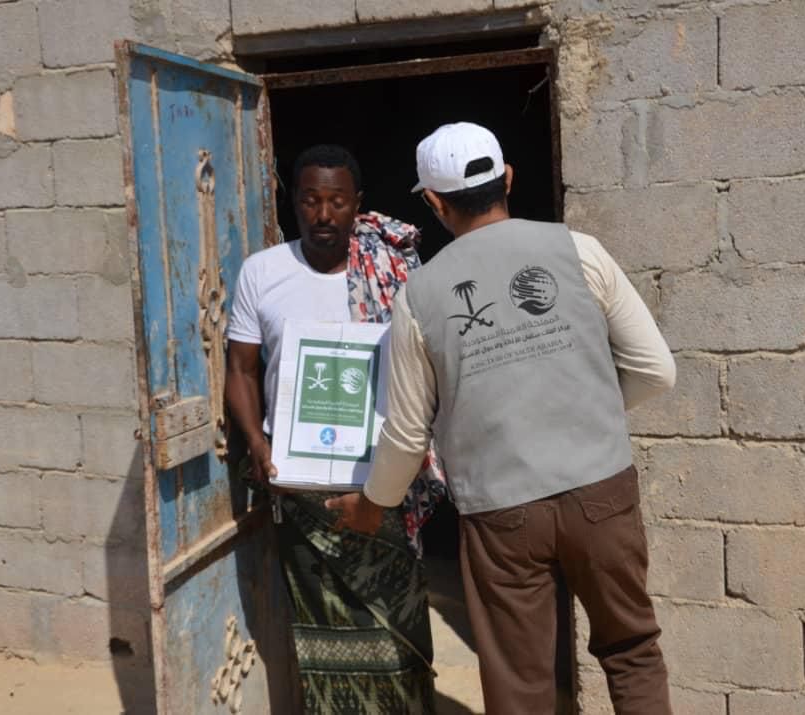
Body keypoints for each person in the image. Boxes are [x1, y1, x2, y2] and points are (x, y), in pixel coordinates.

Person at [327, 123, 677, 714]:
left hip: (502, 513)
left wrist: (370, 505)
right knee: (632, 648)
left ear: (434, 203)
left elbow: (408, 433)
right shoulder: (579, 249)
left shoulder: (420, 294)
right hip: (602, 493)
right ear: (507, 178)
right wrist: (580, 408)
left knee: (519, 680)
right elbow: (656, 371)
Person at [224, 144, 445, 714]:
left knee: (395, 629)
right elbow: (242, 370)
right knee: (320, 634)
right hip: (298, 488)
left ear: (357, 206)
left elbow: (428, 373)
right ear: (293, 203)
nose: (324, 214)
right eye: (311, 200)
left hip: (382, 483)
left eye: (337, 202)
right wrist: (256, 441)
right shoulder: (262, 272)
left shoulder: (393, 274)